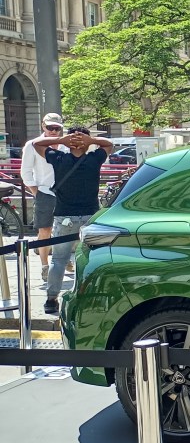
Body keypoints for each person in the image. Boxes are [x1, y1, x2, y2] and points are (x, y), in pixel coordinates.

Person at [33, 126, 113, 315]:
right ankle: (90, 298)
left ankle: (51, 299)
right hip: (90, 217)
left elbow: (37, 144)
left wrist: (61, 140)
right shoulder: (94, 159)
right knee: (91, 259)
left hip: (64, 217)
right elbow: (109, 145)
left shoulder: (58, 158)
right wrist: (91, 140)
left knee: (59, 260)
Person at [20, 113, 67, 282]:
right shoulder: (32, 145)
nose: (53, 131)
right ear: (43, 126)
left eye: (57, 128)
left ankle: (64, 259)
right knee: (45, 229)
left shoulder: (65, 145)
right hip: (44, 191)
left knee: (66, 228)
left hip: (65, 193)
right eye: (50, 127)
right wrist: (36, 192)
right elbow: (25, 171)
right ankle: (45, 266)